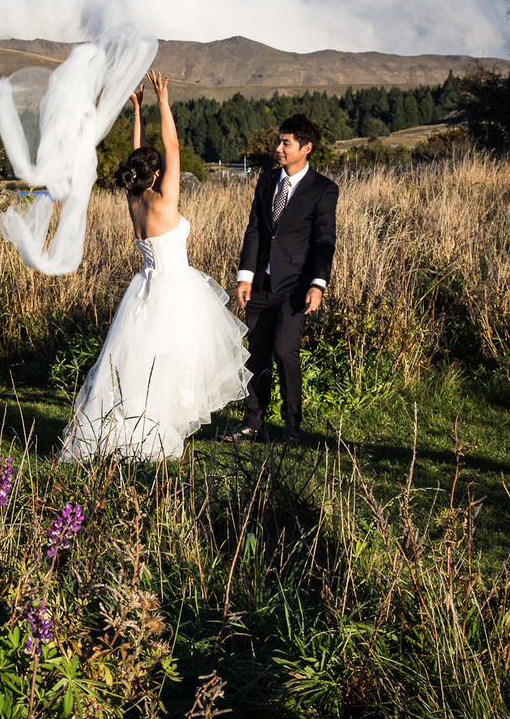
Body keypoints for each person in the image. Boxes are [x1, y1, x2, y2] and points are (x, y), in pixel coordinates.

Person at [60, 71, 251, 460]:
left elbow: (141, 154)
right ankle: (154, 431)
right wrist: (162, 99)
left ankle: (127, 425)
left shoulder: (133, 201)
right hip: (176, 290)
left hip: (144, 290)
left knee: (137, 363)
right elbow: (174, 145)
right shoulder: (165, 202)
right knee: (172, 362)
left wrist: (136, 111)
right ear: (159, 174)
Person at [222, 113, 338, 443]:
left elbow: (324, 240)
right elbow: (256, 229)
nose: (278, 148)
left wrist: (318, 284)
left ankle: (292, 426)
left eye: (286, 143)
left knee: (285, 351)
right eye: (279, 141)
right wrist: (245, 276)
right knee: (256, 354)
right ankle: (252, 423)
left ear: (306, 148)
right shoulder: (266, 181)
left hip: (296, 288)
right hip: (261, 285)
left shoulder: (324, 190)